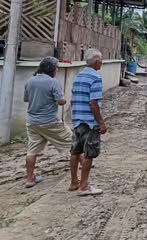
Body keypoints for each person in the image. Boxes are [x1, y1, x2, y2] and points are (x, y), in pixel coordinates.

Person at [23, 57, 72, 188]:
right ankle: (85, 165)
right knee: (72, 141)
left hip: (32, 122)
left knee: (32, 150)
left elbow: (26, 99)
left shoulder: (30, 81)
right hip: (50, 122)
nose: (57, 70)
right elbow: (61, 101)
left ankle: (29, 179)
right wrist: (62, 99)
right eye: (56, 68)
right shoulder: (53, 82)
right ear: (51, 69)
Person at [70, 48, 107, 196]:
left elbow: (73, 100)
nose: (102, 62)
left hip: (77, 119)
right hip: (90, 122)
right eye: (101, 60)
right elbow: (93, 103)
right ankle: (84, 186)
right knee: (89, 154)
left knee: (75, 151)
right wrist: (101, 123)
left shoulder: (78, 76)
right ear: (97, 61)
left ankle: (74, 181)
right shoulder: (95, 78)